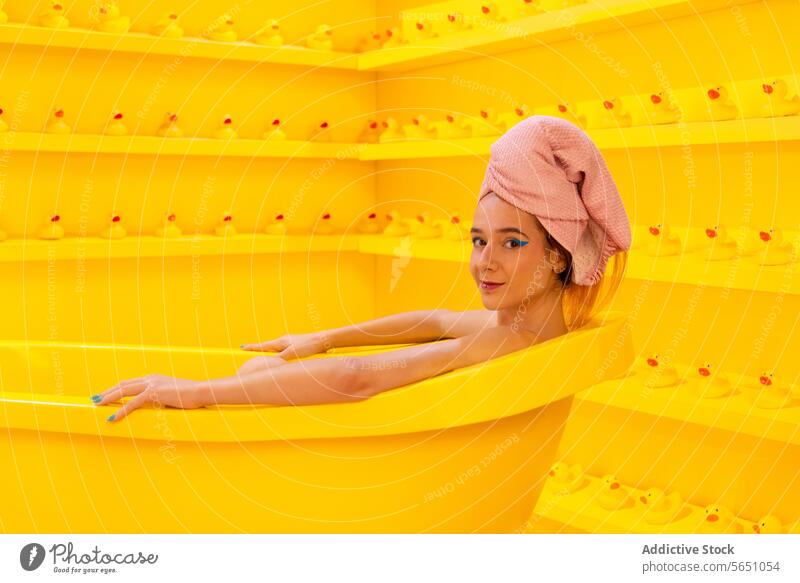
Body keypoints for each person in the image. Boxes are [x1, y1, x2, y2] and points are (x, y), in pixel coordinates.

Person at [93, 116, 631, 422]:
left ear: (559, 253)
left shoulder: (504, 344)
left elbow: (359, 377)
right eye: (477, 240)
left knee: (253, 377)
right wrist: (323, 338)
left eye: (511, 243)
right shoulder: (537, 327)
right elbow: (435, 318)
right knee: (264, 372)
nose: (484, 262)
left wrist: (190, 390)